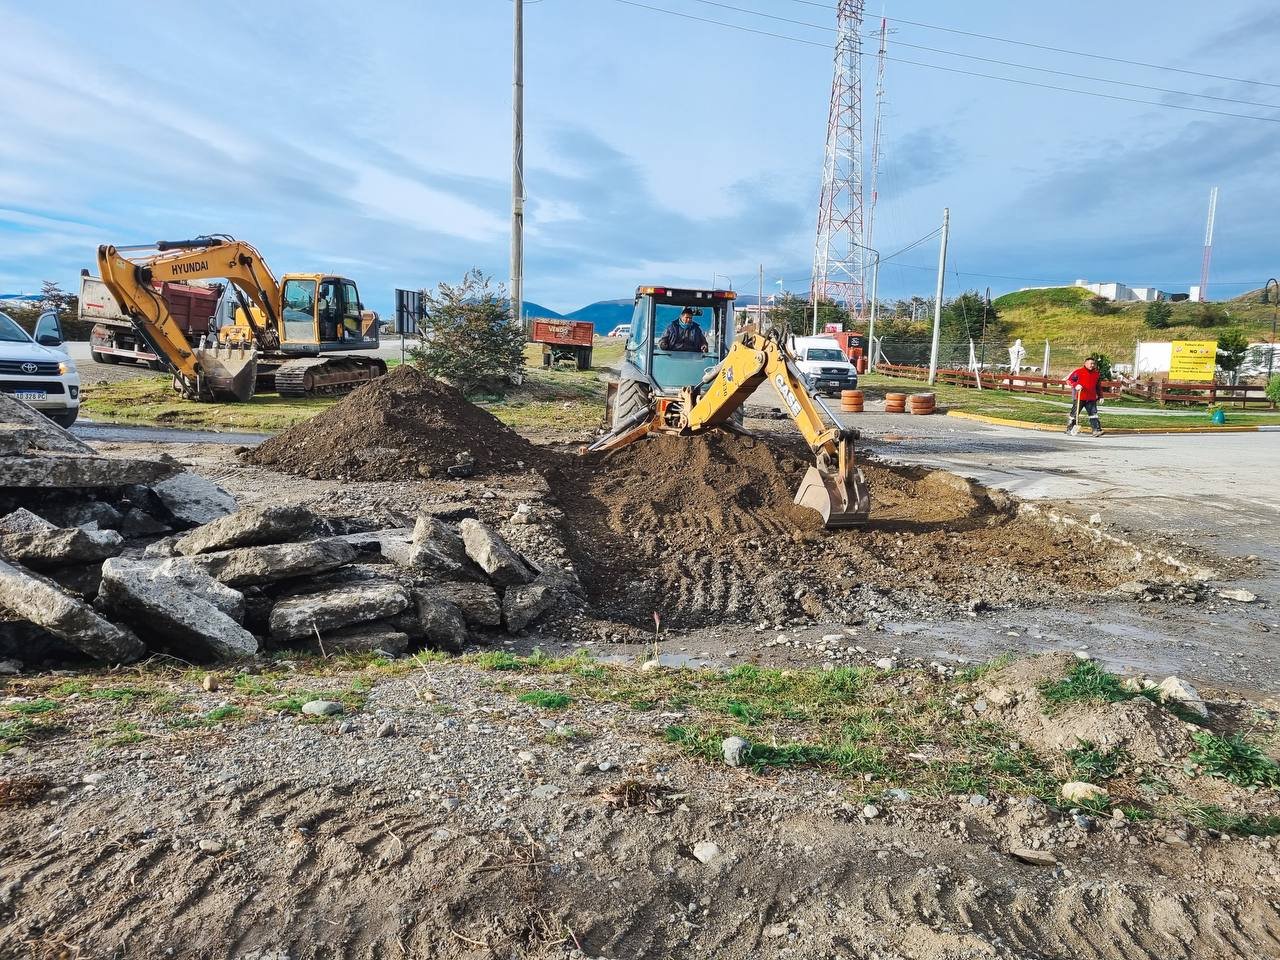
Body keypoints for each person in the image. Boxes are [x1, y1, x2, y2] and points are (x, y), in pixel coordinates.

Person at [1066, 356, 1104, 437]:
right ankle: (1070, 429)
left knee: (1093, 414)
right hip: (1079, 397)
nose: (1092, 365)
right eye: (1090, 363)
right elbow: (1069, 380)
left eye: (1093, 364)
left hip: (1091, 398)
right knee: (1074, 414)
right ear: (1085, 363)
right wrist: (1076, 385)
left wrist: (1101, 396)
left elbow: (1098, 386)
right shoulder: (1078, 372)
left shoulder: (1096, 374)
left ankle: (1096, 430)